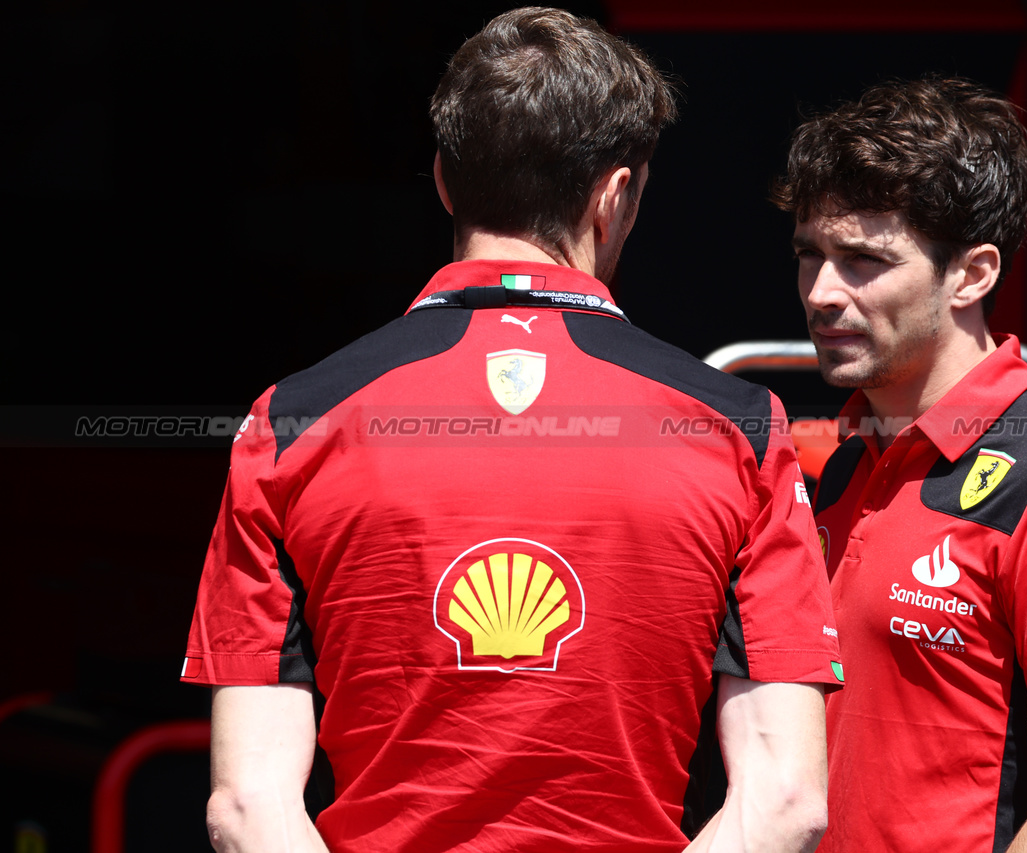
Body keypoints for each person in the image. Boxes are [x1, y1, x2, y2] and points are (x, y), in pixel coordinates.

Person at [181, 8, 841, 853]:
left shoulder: (290, 422)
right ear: (617, 195)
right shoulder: (741, 429)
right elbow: (787, 799)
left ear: (445, 181)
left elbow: (246, 805)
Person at [771, 77, 1027, 853]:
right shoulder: (846, 466)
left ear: (974, 274)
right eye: (810, 255)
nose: (822, 292)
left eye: (863, 261)